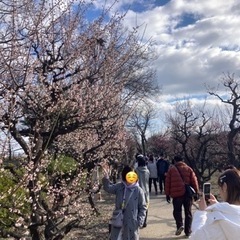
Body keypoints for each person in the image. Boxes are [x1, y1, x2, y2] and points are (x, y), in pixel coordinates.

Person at [190, 168, 240, 240]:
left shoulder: (217, 220)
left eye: (219, 188)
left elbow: (197, 237)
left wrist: (202, 213)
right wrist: (219, 207)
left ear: (224, 187)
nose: (220, 192)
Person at [102, 164, 147, 240]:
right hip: (118, 220)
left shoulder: (138, 190)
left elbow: (142, 207)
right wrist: (106, 177)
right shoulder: (119, 187)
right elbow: (108, 188)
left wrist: (139, 221)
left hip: (132, 223)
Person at [165, 155, 199, 237]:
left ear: (175, 161)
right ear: (183, 160)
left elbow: (167, 183)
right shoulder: (188, 169)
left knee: (177, 211)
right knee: (188, 212)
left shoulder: (171, 170)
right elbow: (194, 181)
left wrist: (167, 194)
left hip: (177, 195)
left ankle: (180, 225)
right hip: (187, 194)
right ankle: (188, 231)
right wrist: (196, 192)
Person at [135, 155, 150, 228]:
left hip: (138, 190)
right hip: (146, 190)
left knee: (138, 207)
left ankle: (139, 221)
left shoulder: (136, 171)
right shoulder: (147, 171)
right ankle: (144, 221)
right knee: (145, 206)